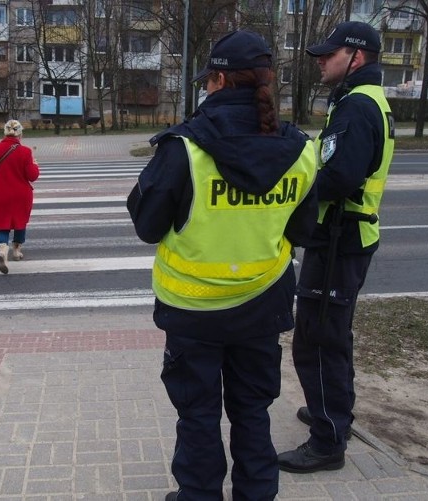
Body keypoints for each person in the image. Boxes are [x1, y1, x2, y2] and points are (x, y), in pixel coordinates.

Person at [127, 30, 319, 501]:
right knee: (253, 411)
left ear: (216, 80)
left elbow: (148, 226)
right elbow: (303, 233)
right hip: (261, 305)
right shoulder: (300, 149)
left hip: (193, 311)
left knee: (197, 414)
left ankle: (199, 495)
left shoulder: (184, 148)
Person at [277, 21, 395, 474]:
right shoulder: (362, 101)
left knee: (317, 341)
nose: (322, 61)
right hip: (348, 237)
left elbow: (338, 177)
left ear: (356, 57)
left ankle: (327, 441)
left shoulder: (356, 108)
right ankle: (336, 413)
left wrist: (291, 199)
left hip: (339, 238)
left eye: (330, 54)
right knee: (332, 335)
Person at [0, 120, 40, 274]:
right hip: (21, 194)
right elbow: (32, 176)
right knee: (20, 222)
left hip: (1, 194)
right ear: (20, 134)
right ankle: (17, 251)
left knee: (2, 224)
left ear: (5, 132)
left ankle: (2, 249)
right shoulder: (26, 152)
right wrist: (35, 165)